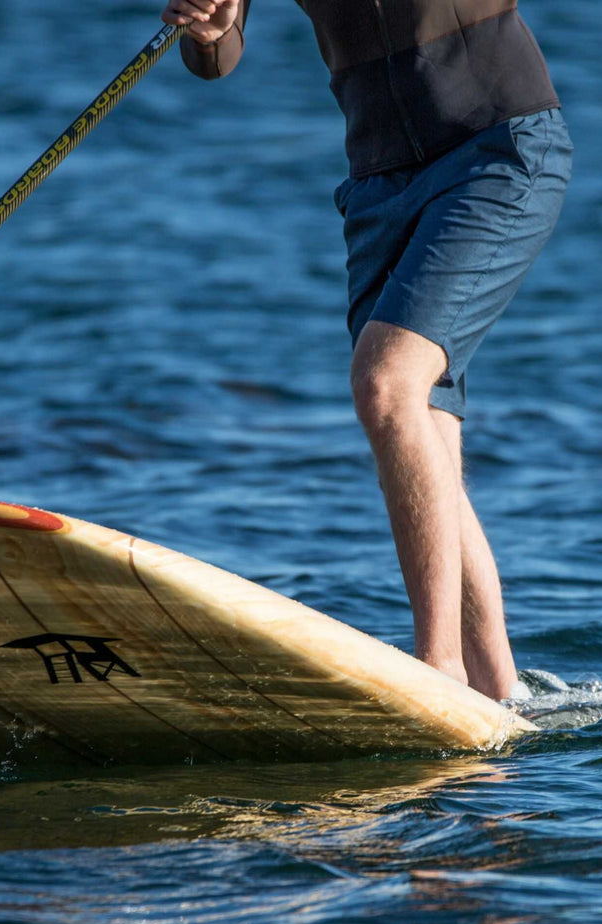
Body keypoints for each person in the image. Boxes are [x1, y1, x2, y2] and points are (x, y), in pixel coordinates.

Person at [159, 0, 572, 700]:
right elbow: (218, 56)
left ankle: (436, 669)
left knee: (387, 387)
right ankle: (496, 693)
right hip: (378, 188)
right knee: (423, 428)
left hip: (494, 149)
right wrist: (209, 25)